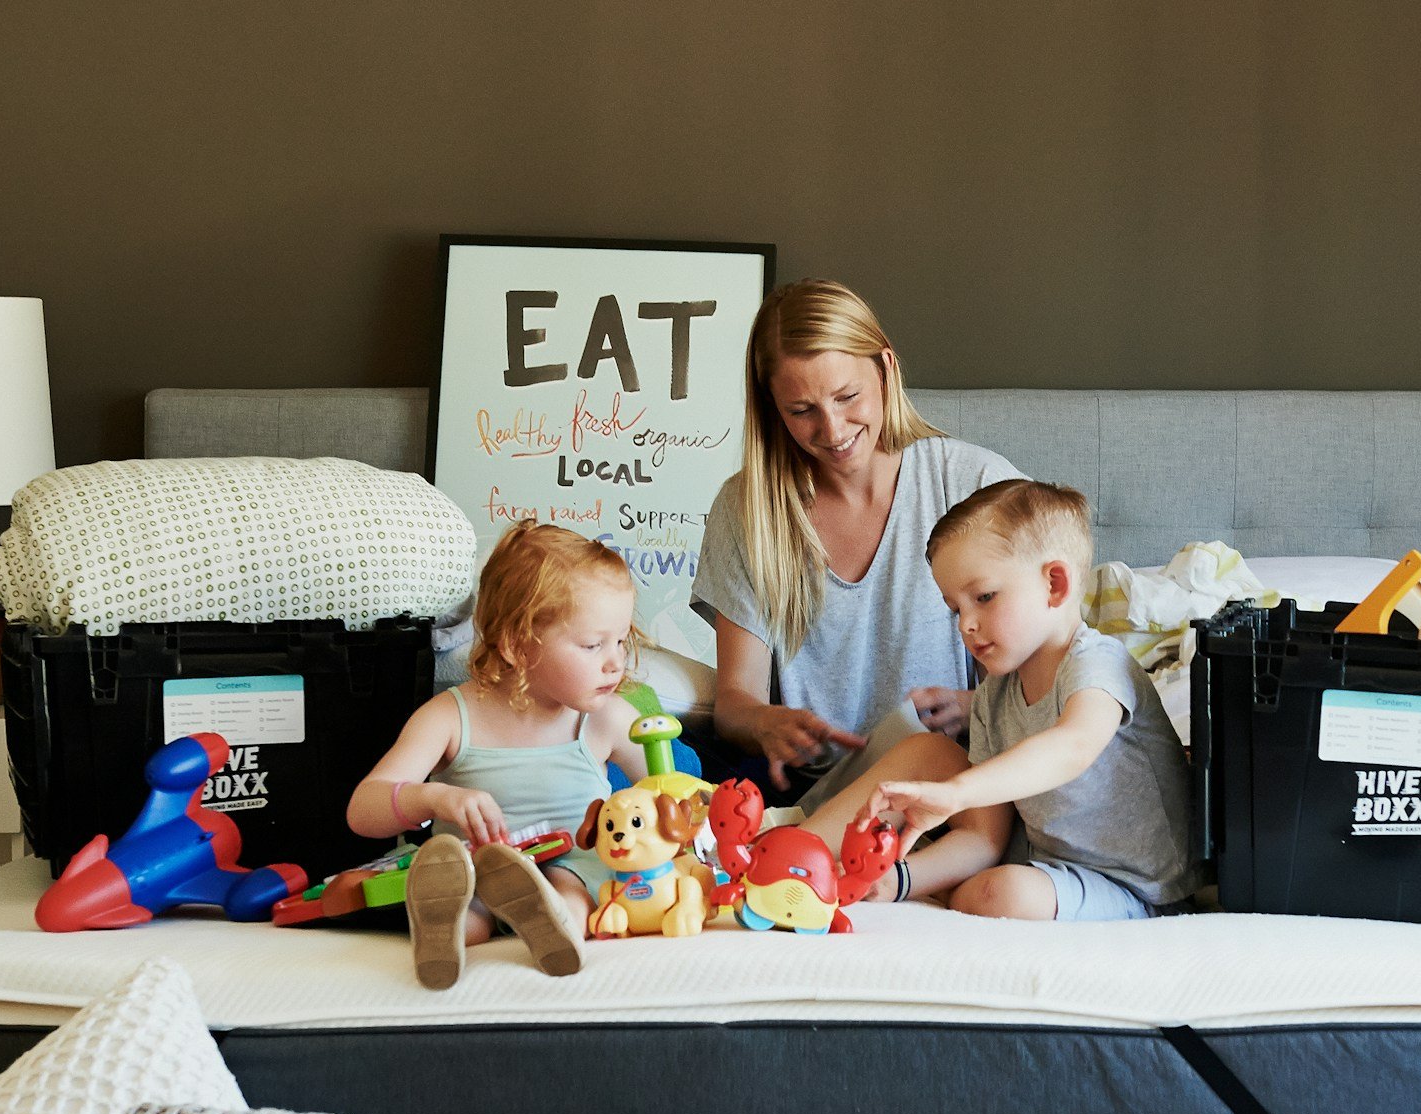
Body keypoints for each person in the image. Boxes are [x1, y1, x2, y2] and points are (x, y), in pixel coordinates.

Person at [692, 280, 1026, 900]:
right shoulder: (746, 511)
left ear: (887, 369)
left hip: (945, 786)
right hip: (809, 785)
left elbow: (1046, 665)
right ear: (771, 408)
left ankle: (789, 873)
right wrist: (768, 722)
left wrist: (975, 703)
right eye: (801, 411)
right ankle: (788, 865)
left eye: (848, 397)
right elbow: (735, 702)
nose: (833, 428)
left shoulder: (972, 484)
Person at [858, 479, 1203, 921]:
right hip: (1051, 869)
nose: (965, 624)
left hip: (1142, 890)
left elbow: (1072, 748)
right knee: (989, 876)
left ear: (1055, 585)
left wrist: (957, 792)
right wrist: (899, 879)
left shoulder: (1097, 663)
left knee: (1005, 894)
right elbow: (986, 835)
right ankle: (825, 859)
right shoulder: (993, 698)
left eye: (983, 597)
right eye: (955, 608)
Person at [348, 521, 649, 987]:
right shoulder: (449, 717)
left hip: (571, 861)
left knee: (570, 883)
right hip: (476, 868)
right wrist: (435, 799)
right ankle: (445, 931)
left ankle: (554, 926)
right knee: (468, 902)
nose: (616, 662)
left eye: (621, 640)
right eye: (593, 645)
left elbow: (669, 791)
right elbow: (364, 809)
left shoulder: (606, 717)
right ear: (516, 644)